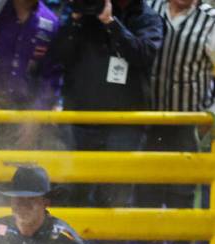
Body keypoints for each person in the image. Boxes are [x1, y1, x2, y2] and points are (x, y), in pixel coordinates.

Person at [49, 0, 162, 207]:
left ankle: (112, 241)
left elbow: (143, 55)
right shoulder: (85, 13)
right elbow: (59, 55)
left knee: (114, 196)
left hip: (124, 124)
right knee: (72, 192)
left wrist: (110, 22)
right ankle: (73, 240)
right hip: (80, 120)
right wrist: (75, 19)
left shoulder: (147, 18)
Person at [139, 0, 215, 213]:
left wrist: (210, 115)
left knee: (181, 196)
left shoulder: (210, 20)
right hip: (145, 120)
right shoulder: (148, 6)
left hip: (188, 124)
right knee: (144, 193)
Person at [0, 0, 62, 147]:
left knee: (22, 166)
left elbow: (52, 77)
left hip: (26, 112)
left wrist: (36, 115)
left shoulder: (51, 23)